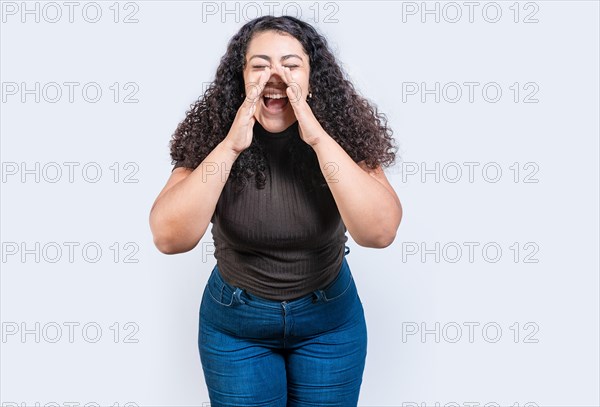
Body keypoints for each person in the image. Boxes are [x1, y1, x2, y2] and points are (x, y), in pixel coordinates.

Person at [149, 15, 402, 407]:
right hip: (236, 327)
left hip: (329, 323)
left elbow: (379, 232)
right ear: (242, 78)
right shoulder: (213, 136)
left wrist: (317, 138)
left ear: (313, 78)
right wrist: (231, 147)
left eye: (291, 64)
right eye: (260, 64)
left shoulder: (343, 135)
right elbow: (169, 238)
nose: (275, 75)